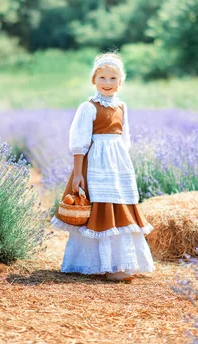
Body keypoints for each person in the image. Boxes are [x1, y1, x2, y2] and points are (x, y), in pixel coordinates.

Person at [50, 52, 156, 282]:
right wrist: (78, 173)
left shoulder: (122, 107)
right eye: (102, 78)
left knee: (119, 208)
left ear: (121, 82)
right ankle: (102, 265)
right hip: (94, 163)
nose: (107, 83)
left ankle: (118, 262)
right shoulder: (88, 108)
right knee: (99, 207)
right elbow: (79, 143)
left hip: (116, 164)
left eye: (113, 78)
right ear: (93, 80)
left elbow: (124, 140)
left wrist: (123, 167)